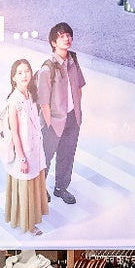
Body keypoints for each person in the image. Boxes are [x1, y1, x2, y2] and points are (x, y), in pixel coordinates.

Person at [37, 20, 88, 204]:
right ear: (53, 42)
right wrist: (50, 123)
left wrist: (77, 112)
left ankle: (61, 188)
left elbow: (79, 87)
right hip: (53, 121)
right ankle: (39, 190)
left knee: (67, 155)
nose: (67, 38)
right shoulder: (47, 68)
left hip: (72, 118)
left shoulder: (73, 60)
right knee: (45, 157)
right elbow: (44, 102)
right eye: (62, 36)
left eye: (68, 35)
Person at [0, 58, 47, 234]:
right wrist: (22, 159)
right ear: (13, 78)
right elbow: (15, 133)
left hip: (34, 148)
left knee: (33, 186)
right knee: (25, 188)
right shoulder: (14, 101)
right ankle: (28, 225)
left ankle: (31, 218)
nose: (24, 75)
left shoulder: (30, 94)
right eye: (20, 73)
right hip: (24, 152)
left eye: (27, 71)